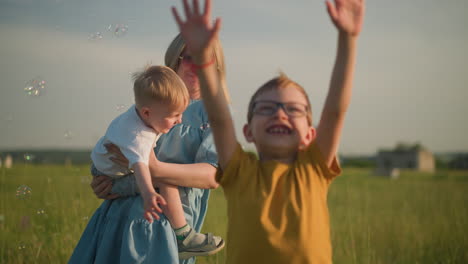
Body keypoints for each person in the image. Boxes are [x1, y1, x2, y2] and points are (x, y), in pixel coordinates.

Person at [171, 0, 365, 263]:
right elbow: (218, 117)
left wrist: (348, 38)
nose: (280, 113)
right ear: (248, 132)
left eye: (293, 109)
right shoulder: (239, 170)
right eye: (267, 108)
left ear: (310, 135)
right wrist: (204, 61)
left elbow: (335, 110)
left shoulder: (315, 169)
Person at [69, 36, 228, 263]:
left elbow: (214, 175)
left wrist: (154, 167)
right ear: (176, 59)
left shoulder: (215, 111)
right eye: (190, 58)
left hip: (167, 224)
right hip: (118, 216)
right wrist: (106, 180)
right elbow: (116, 150)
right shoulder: (152, 103)